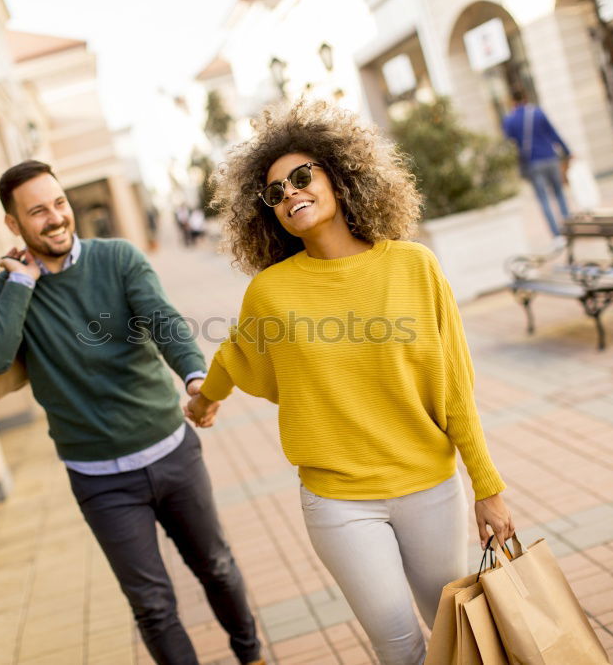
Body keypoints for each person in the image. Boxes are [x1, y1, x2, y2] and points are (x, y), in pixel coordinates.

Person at [185, 102, 513, 665]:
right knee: (400, 646)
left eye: (302, 176)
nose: (290, 192)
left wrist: (488, 486)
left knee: (456, 635)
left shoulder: (415, 267)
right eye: (275, 191)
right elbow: (239, 355)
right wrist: (204, 398)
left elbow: (455, 388)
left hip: (430, 487)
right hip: (338, 502)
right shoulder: (271, 292)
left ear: (339, 177)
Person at [0, 160, 263, 665]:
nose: (56, 218)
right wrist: (20, 284)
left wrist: (195, 379)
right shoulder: (7, 290)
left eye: (59, 204)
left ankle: (251, 655)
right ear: (13, 225)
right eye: (37, 212)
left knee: (216, 566)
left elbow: (162, 320)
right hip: (100, 481)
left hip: (173, 454)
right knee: (152, 606)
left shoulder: (118, 258)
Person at [502, 88, 571, 241]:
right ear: (525, 98)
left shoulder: (510, 120)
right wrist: (567, 151)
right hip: (550, 157)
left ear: (512, 101)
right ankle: (569, 227)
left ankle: (557, 236)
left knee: (543, 199)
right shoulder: (538, 113)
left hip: (533, 163)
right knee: (559, 194)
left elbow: (509, 143)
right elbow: (553, 133)